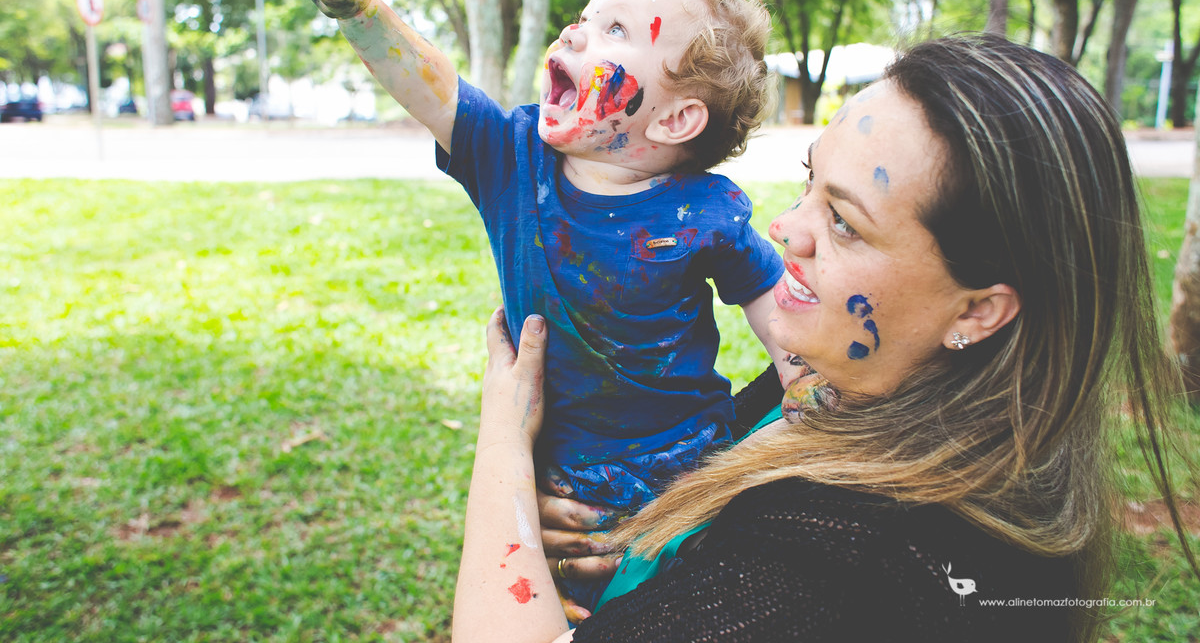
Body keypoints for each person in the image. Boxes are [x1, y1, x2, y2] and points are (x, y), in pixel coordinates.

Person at [450, 34, 1197, 642]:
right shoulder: (831, 390)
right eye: (810, 182)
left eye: (844, 222)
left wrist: (505, 439)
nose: (786, 228)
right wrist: (624, 527)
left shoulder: (835, 566)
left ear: (977, 312)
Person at [286, 0, 798, 606]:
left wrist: (802, 384)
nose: (575, 31)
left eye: (614, 29)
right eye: (584, 18)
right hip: (559, 474)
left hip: (687, 467)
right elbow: (431, 87)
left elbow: (769, 299)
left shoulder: (705, 211)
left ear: (677, 118)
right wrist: (360, 9)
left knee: (666, 607)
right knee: (569, 601)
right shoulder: (510, 158)